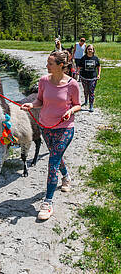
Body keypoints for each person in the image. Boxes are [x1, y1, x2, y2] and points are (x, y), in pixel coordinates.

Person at [21, 51, 81, 221]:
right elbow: (40, 101)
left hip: (65, 128)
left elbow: (78, 105)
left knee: (52, 160)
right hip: (45, 126)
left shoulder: (72, 84)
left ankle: (47, 202)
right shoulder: (43, 81)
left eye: (50, 64)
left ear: (61, 65)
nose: (46, 66)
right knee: (57, 155)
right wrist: (31, 105)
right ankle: (66, 177)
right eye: (47, 63)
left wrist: (70, 111)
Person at [77, 44, 101, 112]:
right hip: (84, 77)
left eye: (91, 49)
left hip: (93, 78)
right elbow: (80, 66)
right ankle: (86, 100)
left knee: (91, 91)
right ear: (86, 50)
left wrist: (99, 74)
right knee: (86, 90)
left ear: (93, 50)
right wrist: (78, 72)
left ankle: (91, 105)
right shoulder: (83, 58)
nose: (90, 50)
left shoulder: (95, 58)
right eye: (88, 49)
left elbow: (98, 66)